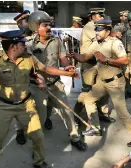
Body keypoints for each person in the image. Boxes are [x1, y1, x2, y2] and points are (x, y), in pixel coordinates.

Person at [0, 30, 79, 168]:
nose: (25, 45)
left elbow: (45, 69)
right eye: (21, 43)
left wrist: (66, 73)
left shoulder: (28, 58)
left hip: (26, 105)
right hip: (3, 106)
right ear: (13, 46)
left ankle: (39, 161)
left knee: (38, 136)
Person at [75, 19, 131, 147]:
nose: (96, 32)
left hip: (115, 83)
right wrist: (72, 55)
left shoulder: (115, 43)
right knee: (88, 99)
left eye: (99, 30)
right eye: (95, 29)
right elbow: (85, 57)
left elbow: (124, 60)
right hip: (101, 83)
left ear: (107, 32)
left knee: (122, 113)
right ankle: (95, 128)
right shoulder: (96, 42)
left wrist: (106, 59)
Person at [27, 11, 87, 151]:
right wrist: (66, 73)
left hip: (55, 84)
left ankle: (75, 137)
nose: (49, 28)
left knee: (67, 111)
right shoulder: (28, 46)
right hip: (38, 87)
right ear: (36, 27)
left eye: (49, 25)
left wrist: (67, 66)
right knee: (39, 118)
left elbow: (62, 57)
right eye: (45, 25)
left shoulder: (56, 41)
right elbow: (44, 69)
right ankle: (37, 149)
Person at [72, 7, 114, 132]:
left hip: (97, 62)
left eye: (102, 16)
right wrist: (112, 34)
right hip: (89, 62)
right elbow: (100, 38)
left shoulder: (98, 26)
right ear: (92, 17)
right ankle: (76, 114)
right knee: (87, 91)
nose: (101, 17)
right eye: (98, 15)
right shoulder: (91, 26)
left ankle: (102, 114)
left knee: (103, 90)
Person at [13, 10, 33, 145]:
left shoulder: (37, 35)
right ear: (20, 24)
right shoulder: (14, 39)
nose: (30, 22)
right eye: (27, 20)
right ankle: (20, 130)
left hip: (36, 77)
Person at [113, 11, 131, 90]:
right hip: (125, 53)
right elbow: (113, 33)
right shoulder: (123, 27)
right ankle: (127, 90)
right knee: (126, 73)